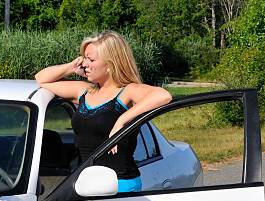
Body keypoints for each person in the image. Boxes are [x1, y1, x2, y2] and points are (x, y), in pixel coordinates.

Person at [35, 30, 172, 192]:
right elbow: (41, 79)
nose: (85, 64)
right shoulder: (84, 91)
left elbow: (164, 96)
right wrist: (71, 67)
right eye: (84, 58)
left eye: (91, 59)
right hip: (87, 185)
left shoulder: (127, 91)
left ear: (110, 64)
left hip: (120, 186)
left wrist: (121, 122)